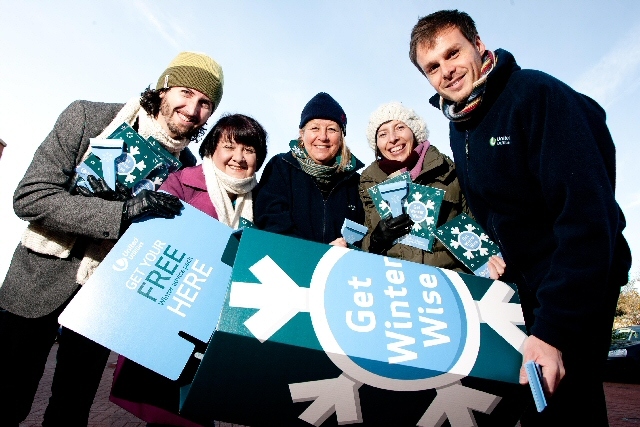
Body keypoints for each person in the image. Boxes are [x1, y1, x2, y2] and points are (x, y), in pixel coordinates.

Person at [410, 10, 631, 426]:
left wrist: (554, 331)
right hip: (531, 278)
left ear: (478, 44)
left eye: (452, 53)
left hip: (580, 278)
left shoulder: (535, 95)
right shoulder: (463, 125)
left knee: (566, 400)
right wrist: (504, 253)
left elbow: (587, 219)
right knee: (538, 404)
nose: (447, 71)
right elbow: (506, 211)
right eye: (432, 67)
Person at [0, 51, 223, 427]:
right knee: (7, 399)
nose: (193, 108)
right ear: (164, 88)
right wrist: (121, 214)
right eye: (186, 92)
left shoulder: (186, 170)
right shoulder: (90, 118)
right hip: (37, 285)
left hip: (107, 303)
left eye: (206, 103)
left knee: (71, 411)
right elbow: (31, 197)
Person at [110, 113, 268, 427]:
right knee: (169, 411)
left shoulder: (263, 201)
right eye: (230, 146)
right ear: (212, 149)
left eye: (248, 150)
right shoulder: (182, 182)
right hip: (173, 315)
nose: (238, 157)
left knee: (201, 408)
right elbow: (153, 240)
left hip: (222, 326)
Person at [254, 92, 364, 245]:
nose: (323, 137)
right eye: (315, 128)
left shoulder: (355, 183)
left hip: (340, 267)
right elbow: (270, 221)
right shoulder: (280, 167)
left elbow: (363, 239)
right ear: (302, 133)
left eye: (332, 129)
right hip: (287, 263)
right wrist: (319, 253)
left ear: (341, 136)